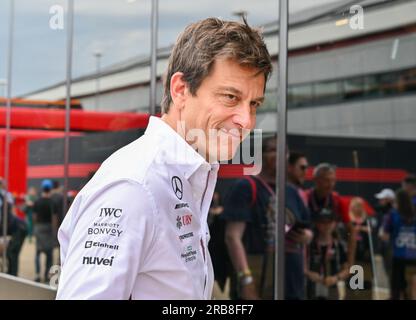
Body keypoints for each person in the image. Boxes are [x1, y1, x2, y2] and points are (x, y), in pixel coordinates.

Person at [56, 17, 272, 299]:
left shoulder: (185, 175)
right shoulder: (135, 186)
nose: (246, 120)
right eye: (230, 97)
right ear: (180, 90)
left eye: (254, 104)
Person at [223, 136, 277, 300]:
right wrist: (246, 279)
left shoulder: (289, 190)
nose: (278, 155)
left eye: (283, 151)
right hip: (255, 266)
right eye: (272, 150)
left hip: (279, 267)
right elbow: (232, 236)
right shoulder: (246, 186)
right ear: (261, 156)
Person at [305, 208, 350, 300]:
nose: (326, 225)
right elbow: (301, 266)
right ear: (317, 224)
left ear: (334, 224)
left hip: (332, 289)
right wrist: (309, 274)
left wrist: (336, 278)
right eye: (323, 222)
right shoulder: (309, 244)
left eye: (329, 222)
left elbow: (347, 270)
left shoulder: (338, 245)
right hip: (311, 289)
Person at [285, 151, 312, 299]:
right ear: (289, 167)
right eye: (302, 167)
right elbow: (293, 223)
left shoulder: (297, 191)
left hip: (296, 256)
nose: (305, 172)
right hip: (289, 257)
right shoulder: (288, 190)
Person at [381, 189, 416, 300]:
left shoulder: (393, 214)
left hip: (398, 256)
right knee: (412, 287)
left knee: (396, 289)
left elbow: (385, 235)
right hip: (413, 256)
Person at [0, 177, 27, 276]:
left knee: (12, 253)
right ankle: (11, 275)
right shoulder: (6, 195)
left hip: (18, 228)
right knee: (11, 253)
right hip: (17, 226)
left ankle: (12, 276)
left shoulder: (5, 195)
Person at [33, 179, 58, 283]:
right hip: (48, 228)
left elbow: (34, 216)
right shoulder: (52, 202)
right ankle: (47, 275)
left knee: (38, 252)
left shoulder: (37, 201)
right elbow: (54, 218)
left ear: (42, 188)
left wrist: (36, 226)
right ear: (50, 189)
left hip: (39, 227)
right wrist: (54, 230)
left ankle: (38, 275)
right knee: (49, 253)